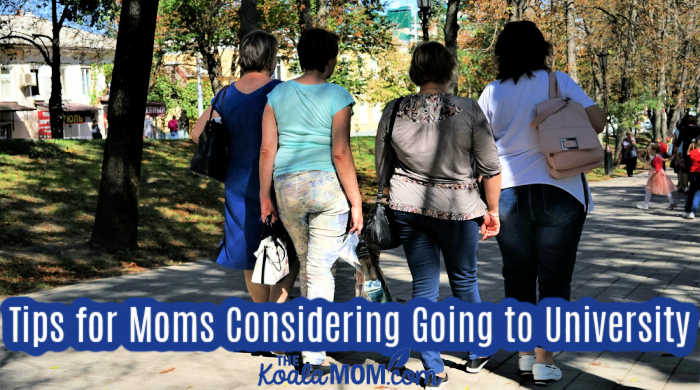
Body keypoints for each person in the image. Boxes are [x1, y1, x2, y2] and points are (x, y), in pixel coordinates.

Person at [477, 21, 605, 386]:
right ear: (540, 49)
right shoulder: (559, 82)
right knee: (555, 276)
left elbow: (483, 150)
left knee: (517, 275)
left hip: (508, 193)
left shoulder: (491, 92)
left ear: (502, 53)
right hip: (561, 190)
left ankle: (522, 354)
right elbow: (596, 121)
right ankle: (544, 361)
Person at [376, 41, 502, 388]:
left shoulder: (395, 109)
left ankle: (433, 367)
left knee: (424, 287)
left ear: (416, 72)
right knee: (464, 280)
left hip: (408, 209)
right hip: (459, 209)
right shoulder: (468, 110)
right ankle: (477, 350)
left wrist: (390, 194)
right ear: (449, 71)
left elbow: (382, 165)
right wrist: (492, 210)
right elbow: (491, 167)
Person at [259, 28, 362, 373]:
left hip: (287, 188)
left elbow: (267, 150)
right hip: (327, 190)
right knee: (320, 271)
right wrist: (357, 201)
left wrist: (265, 197)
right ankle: (314, 355)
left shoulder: (277, 95)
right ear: (330, 60)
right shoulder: (338, 95)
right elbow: (341, 151)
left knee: (307, 266)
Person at [192, 31, 296, 305]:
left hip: (238, 184)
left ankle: (262, 319)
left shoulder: (225, 96)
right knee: (284, 251)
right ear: (270, 58)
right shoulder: (281, 91)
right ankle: (276, 320)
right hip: (275, 181)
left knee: (250, 253)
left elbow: (196, 133)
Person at [636, 143, 676, 210]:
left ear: (653, 150)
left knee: (649, 189)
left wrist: (652, 174)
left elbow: (657, 168)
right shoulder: (655, 156)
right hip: (658, 173)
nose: (648, 148)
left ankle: (646, 204)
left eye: (649, 147)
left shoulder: (656, 157)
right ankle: (671, 203)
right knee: (664, 189)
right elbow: (649, 162)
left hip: (657, 174)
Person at [682, 140, 700, 219]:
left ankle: (687, 210)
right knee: (697, 193)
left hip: (693, 174)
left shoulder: (692, 152)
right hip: (697, 173)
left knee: (692, 192)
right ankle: (692, 211)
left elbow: (688, 156)